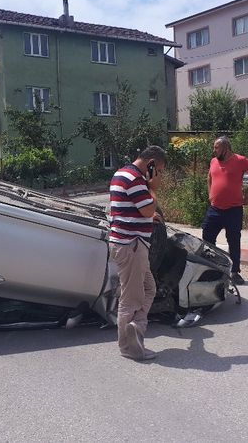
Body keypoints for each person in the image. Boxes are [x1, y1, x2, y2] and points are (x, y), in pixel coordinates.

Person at [108, 145, 167, 361]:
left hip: (127, 243)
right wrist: (154, 187)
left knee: (149, 288)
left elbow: (128, 208)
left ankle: (136, 326)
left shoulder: (122, 173)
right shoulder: (135, 179)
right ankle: (129, 347)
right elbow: (149, 209)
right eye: (159, 169)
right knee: (130, 299)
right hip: (132, 245)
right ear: (151, 163)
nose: (159, 174)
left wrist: (146, 217)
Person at [202, 136, 248, 285]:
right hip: (215, 208)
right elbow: (209, 177)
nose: (214, 150)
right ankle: (212, 268)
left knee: (234, 241)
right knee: (207, 238)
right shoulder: (214, 161)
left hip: (233, 209)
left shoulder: (240, 160)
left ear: (226, 148)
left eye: (216, 147)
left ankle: (235, 272)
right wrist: (210, 194)